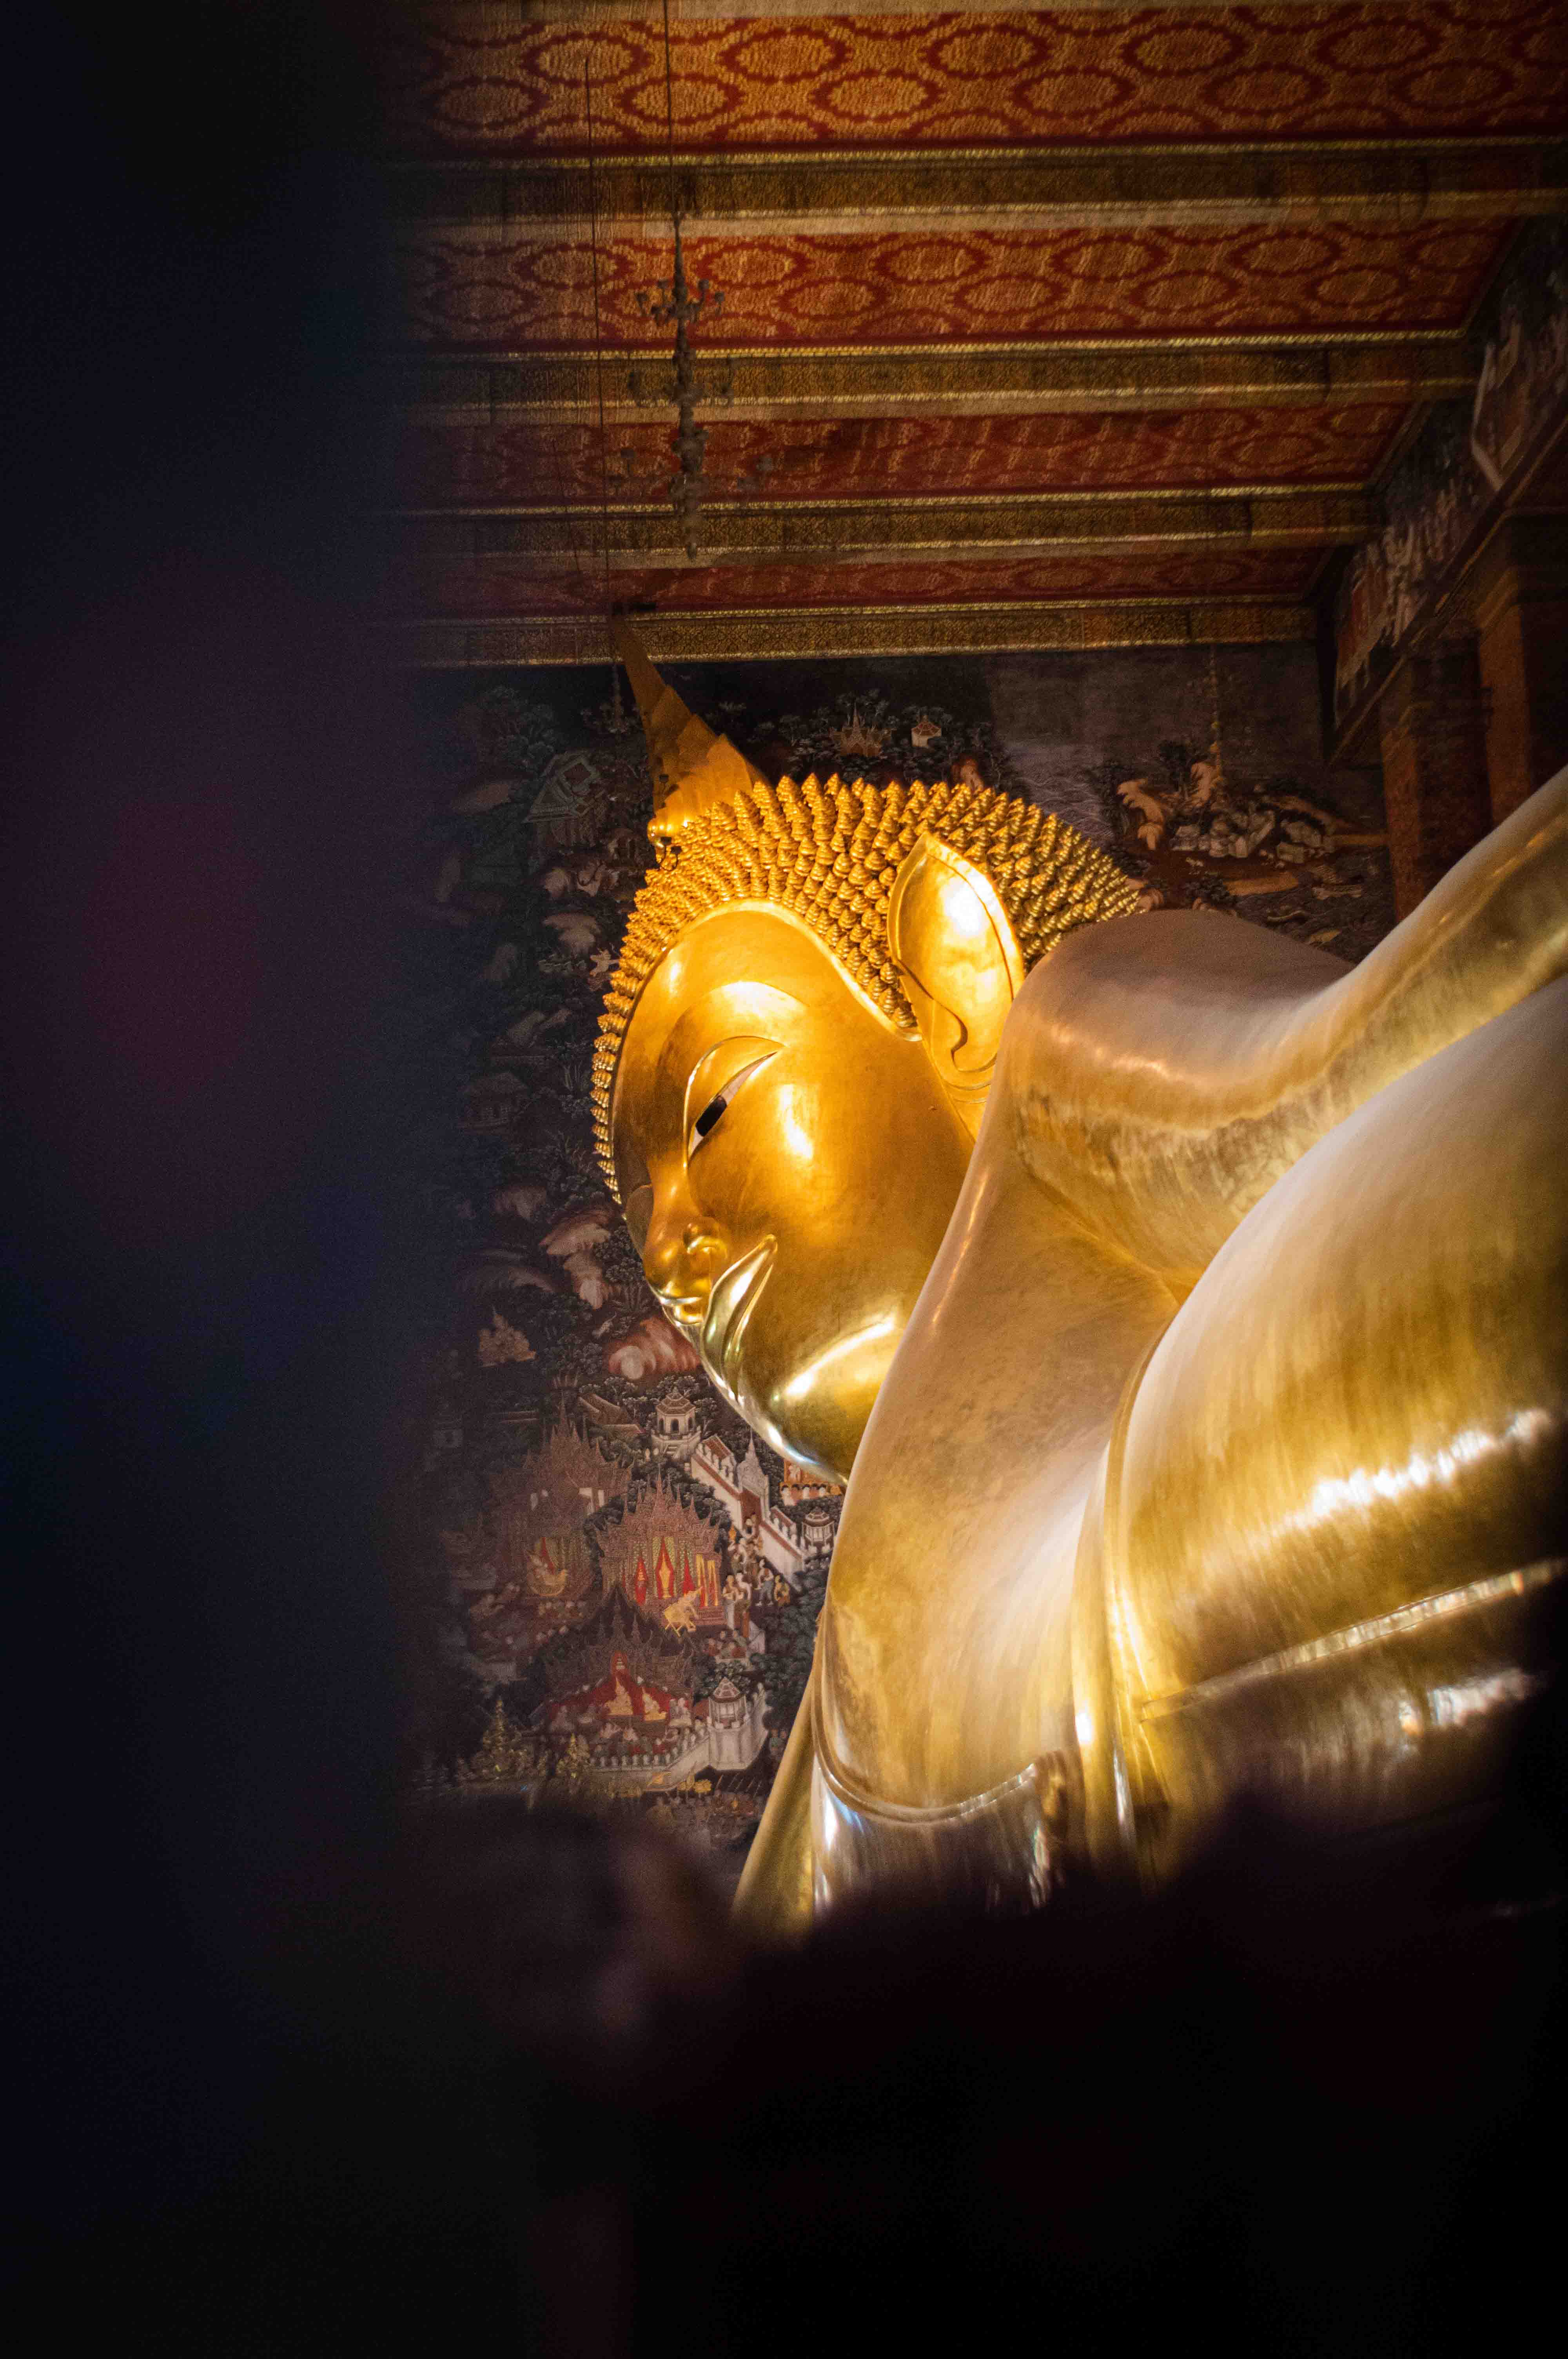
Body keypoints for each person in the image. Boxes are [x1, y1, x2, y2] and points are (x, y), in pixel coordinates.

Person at [595, 627, 1568, 1934]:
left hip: (1215, 1566)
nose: (667, 1252)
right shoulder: (846, 1674)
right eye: (645, 1200)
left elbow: (1337, 1067)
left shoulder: (1067, 1026)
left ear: (955, 983)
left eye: (709, 1112)